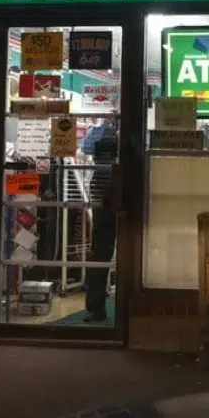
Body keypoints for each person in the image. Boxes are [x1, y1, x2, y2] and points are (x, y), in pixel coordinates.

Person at [84, 134, 118, 323]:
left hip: (103, 215)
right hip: (119, 214)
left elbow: (97, 193)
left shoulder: (100, 168)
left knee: (99, 260)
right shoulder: (117, 166)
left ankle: (96, 308)